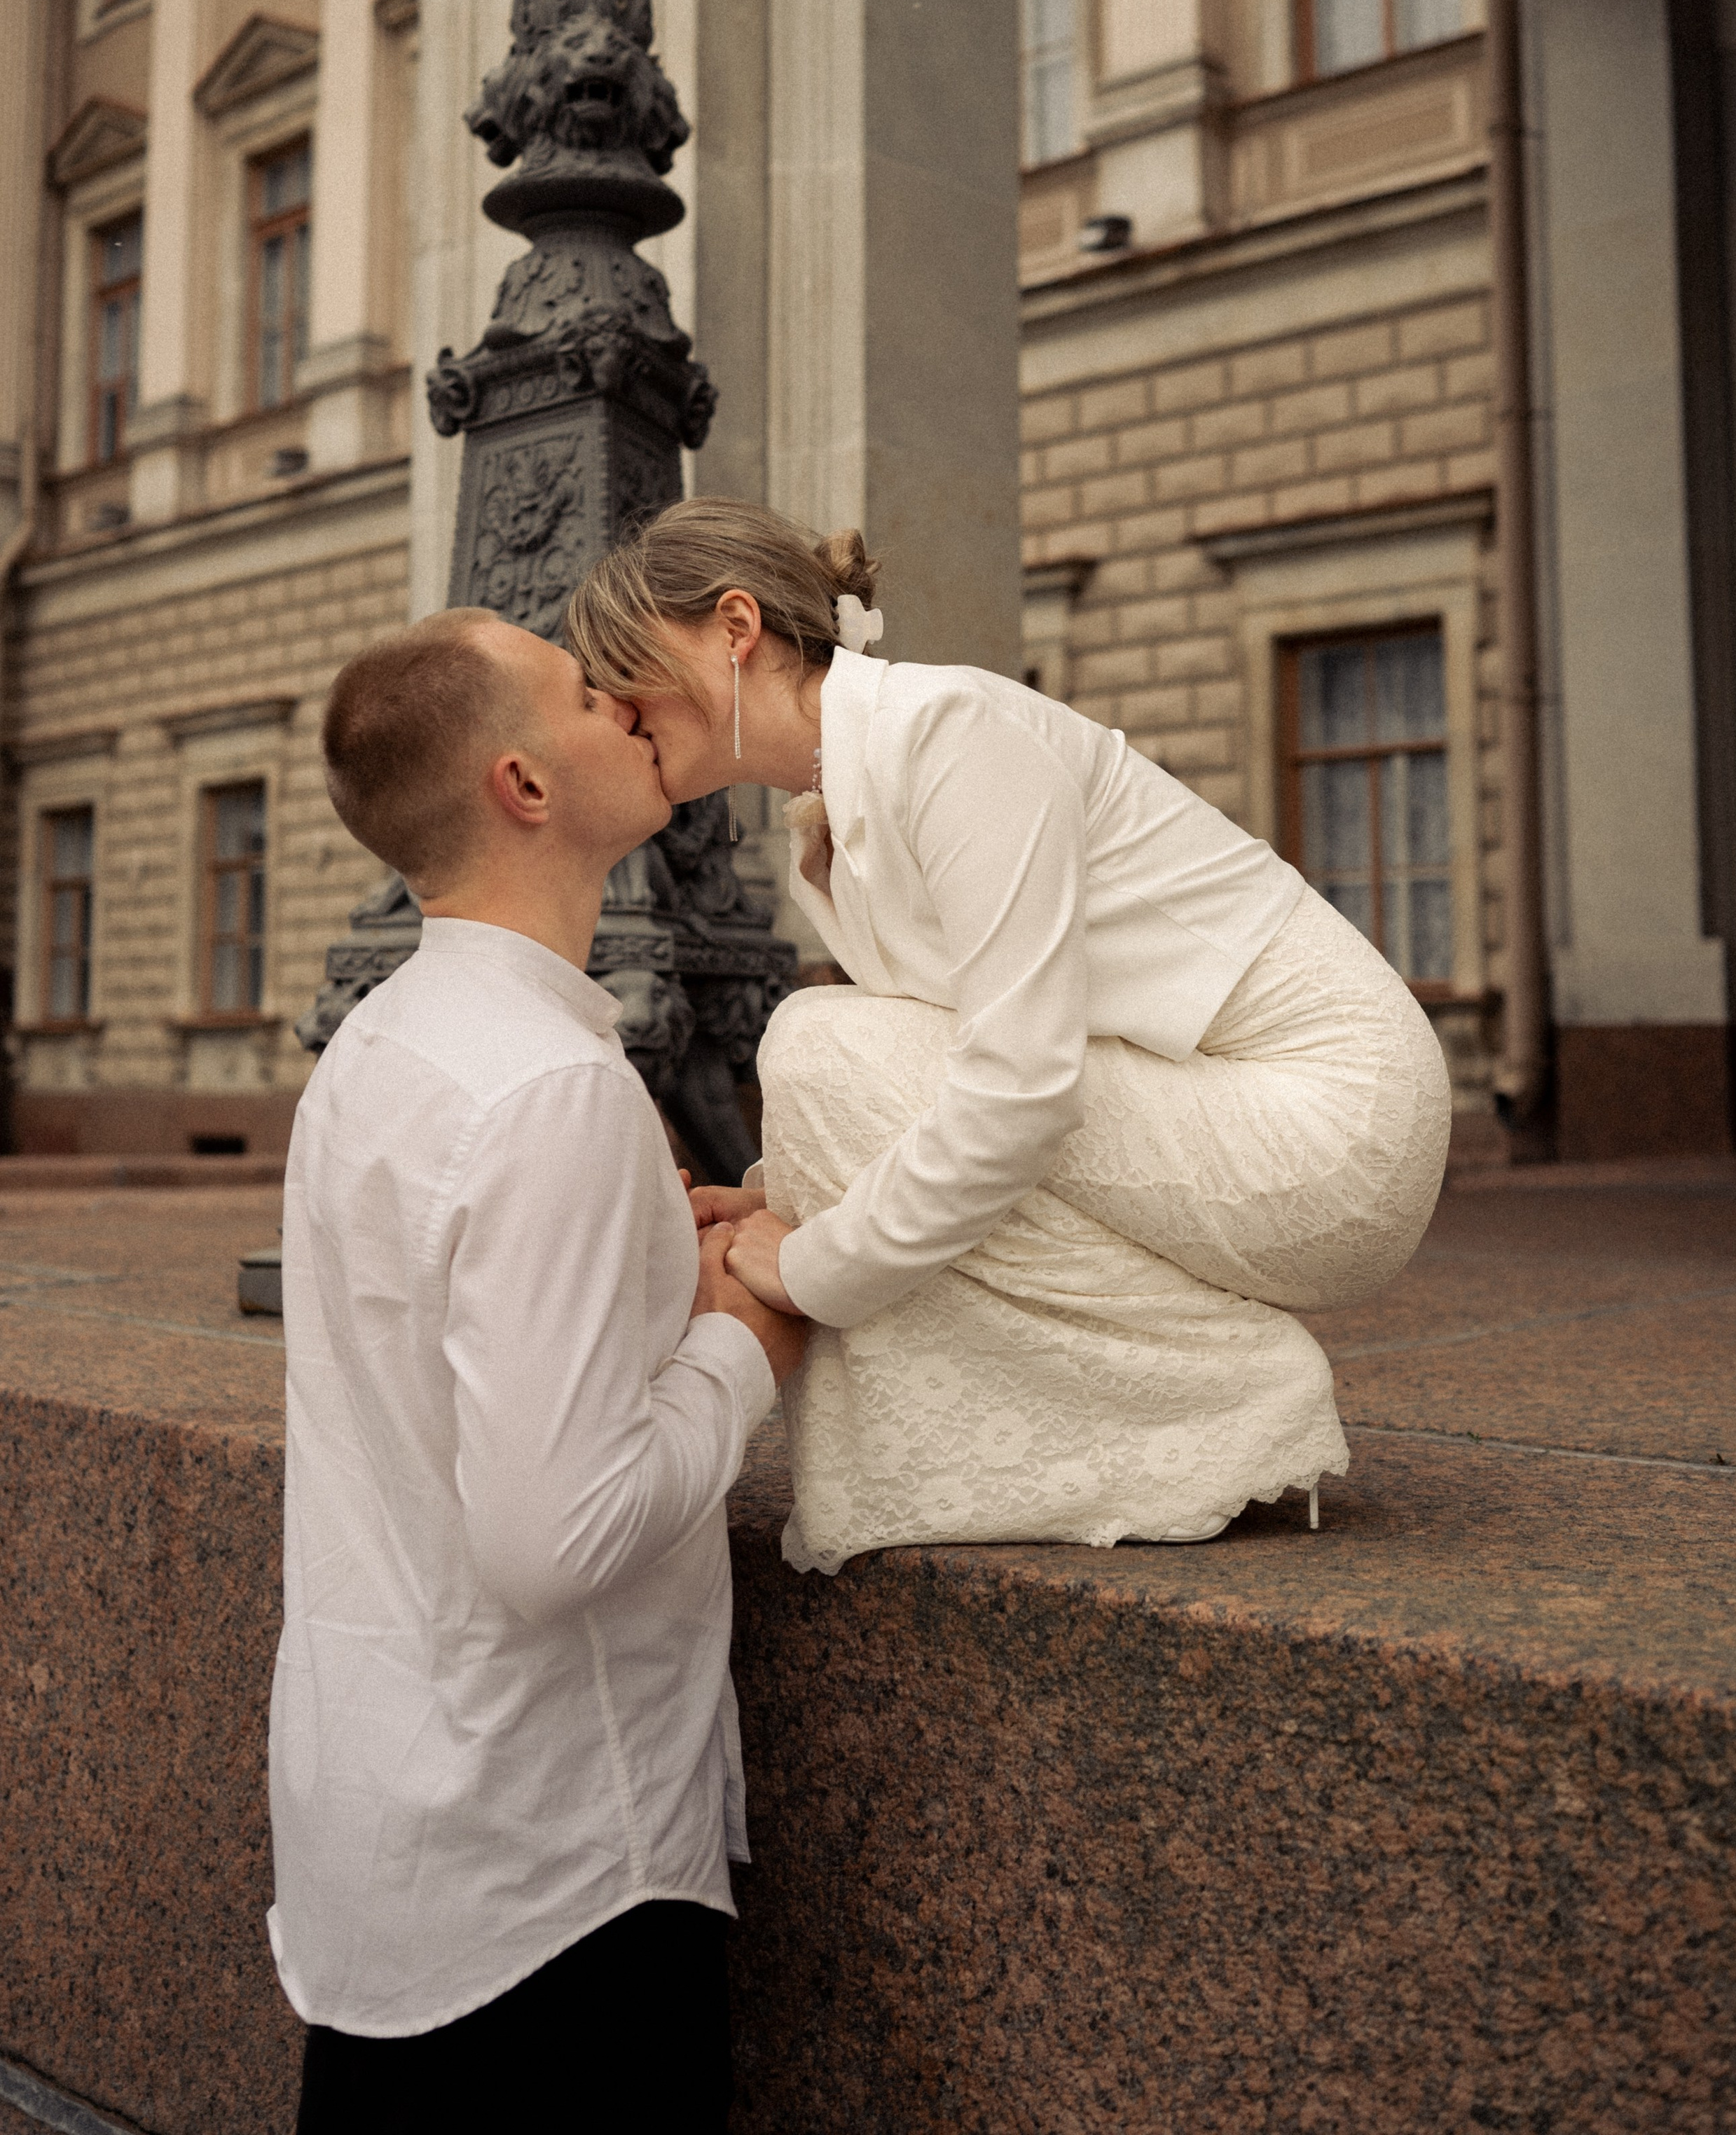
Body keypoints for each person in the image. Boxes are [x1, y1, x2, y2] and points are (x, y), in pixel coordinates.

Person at [565, 499, 1452, 1577]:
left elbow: (1021, 1086)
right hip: (1221, 1108)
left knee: (815, 1038)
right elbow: (968, 1065)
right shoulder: (839, 809)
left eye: (622, 666)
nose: (613, 703)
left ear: (735, 627)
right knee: (827, 1042)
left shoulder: (948, 731)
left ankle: (1226, 1392)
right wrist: (785, 1187)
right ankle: (1155, 1411)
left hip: (1335, 1127)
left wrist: (816, 1262)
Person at [270, 605, 808, 2130]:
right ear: (522, 783)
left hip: (390, 1842)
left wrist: (659, 1286)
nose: (630, 704)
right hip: (553, 1887)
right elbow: (549, 1538)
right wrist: (742, 1341)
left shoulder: (381, 1046)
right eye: (586, 693)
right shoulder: (550, 1092)